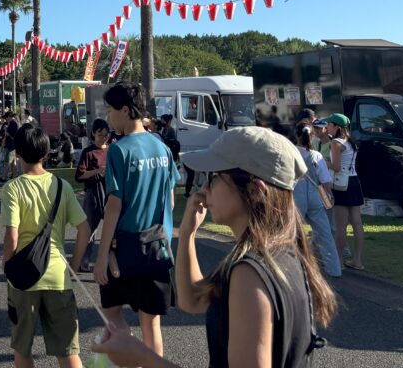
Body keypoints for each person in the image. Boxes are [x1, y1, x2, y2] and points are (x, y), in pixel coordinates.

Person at [93, 127, 338, 368]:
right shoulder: (280, 254)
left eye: (214, 178)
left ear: (254, 191)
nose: (204, 189)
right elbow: (192, 300)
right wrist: (187, 233)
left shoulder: (250, 274)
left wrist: (141, 357)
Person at [93, 83, 178, 361]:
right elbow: (170, 200)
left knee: (113, 316)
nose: (108, 117)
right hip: (157, 247)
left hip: (124, 247)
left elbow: (113, 207)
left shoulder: (119, 150)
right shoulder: (162, 148)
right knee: (151, 324)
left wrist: (102, 255)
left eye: (110, 110)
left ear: (126, 110)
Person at [2, 124, 90, 368]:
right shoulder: (62, 187)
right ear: (45, 152)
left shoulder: (13, 188)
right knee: (68, 350)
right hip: (58, 274)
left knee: (23, 348)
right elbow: (84, 229)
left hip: (23, 277)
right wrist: (73, 265)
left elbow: (12, 236)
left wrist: (7, 264)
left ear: (18, 153)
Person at [292, 124, 341, 278]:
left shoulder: (290, 152)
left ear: (296, 135)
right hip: (314, 195)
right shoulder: (317, 155)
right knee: (325, 234)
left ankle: (292, 268)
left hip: (296, 195)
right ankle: (334, 270)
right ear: (312, 137)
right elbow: (325, 181)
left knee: (291, 233)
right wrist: (329, 196)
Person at [325, 113, 364, 270]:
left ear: (336, 127)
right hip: (354, 182)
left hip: (342, 184)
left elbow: (336, 167)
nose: (327, 127)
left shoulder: (336, 142)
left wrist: (324, 162)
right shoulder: (350, 141)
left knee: (340, 226)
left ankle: (339, 261)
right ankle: (357, 260)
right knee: (357, 223)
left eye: (329, 124)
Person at [75, 118, 110, 272]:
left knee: (113, 230)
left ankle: (111, 262)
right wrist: (97, 171)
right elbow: (79, 175)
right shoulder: (88, 152)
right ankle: (83, 261)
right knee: (89, 230)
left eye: (106, 135)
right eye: (100, 135)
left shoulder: (112, 150)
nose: (103, 138)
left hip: (110, 194)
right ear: (93, 134)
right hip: (93, 194)